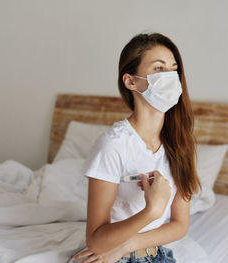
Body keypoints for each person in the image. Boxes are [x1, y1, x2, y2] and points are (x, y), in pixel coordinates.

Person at [71, 32, 201, 263]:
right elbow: (96, 240)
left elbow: (180, 225)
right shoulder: (113, 145)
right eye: (159, 69)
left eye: (173, 69)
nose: (170, 77)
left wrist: (129, 245)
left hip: (155, 254)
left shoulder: (182, 144)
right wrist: (151, 211)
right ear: (131, 81)